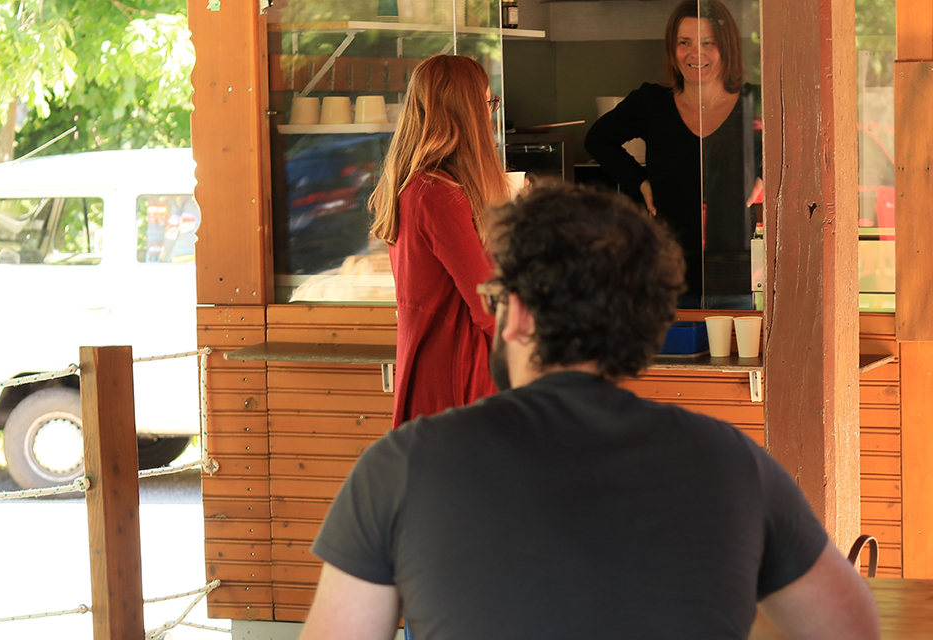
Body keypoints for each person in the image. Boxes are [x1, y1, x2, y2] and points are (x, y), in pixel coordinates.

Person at [299, 184, 879, 640]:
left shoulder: (401, 467)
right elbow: (850, 628)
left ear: (518, 314)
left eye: (495, 299)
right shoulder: (733, 464)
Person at [585, 0, 762, 309]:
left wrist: (763, 177)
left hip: (739, 277)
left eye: (708, 42)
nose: (696, 53)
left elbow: (797, 147)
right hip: (669, 276)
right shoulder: (652, 102)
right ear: (672, 48)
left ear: (727, 46)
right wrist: (639, 181)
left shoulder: (754, 101)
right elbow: (598, 139)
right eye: (684, 42)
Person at [369, 54, 509, 429]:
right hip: (457, 375)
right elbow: (487, 303)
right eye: (487, 103)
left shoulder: (421, 186)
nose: (490, 114)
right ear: (467, 112)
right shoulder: (438, 193)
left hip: (439, 370)